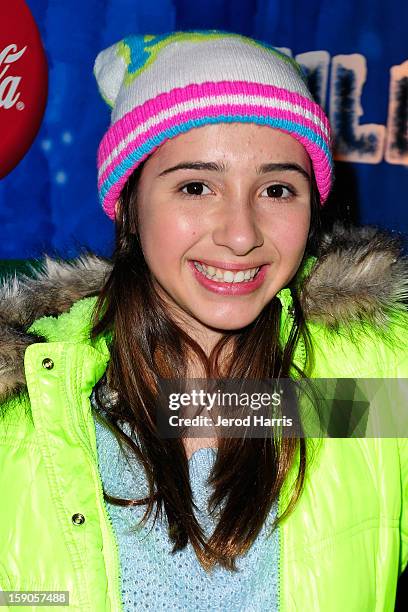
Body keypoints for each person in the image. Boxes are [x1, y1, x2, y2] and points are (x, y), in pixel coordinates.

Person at [0, 30, 407, 612]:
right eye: (196, 186)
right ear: (130, 204)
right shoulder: (28, 405)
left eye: (276, 188)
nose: (240, 234)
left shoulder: (368, 380)